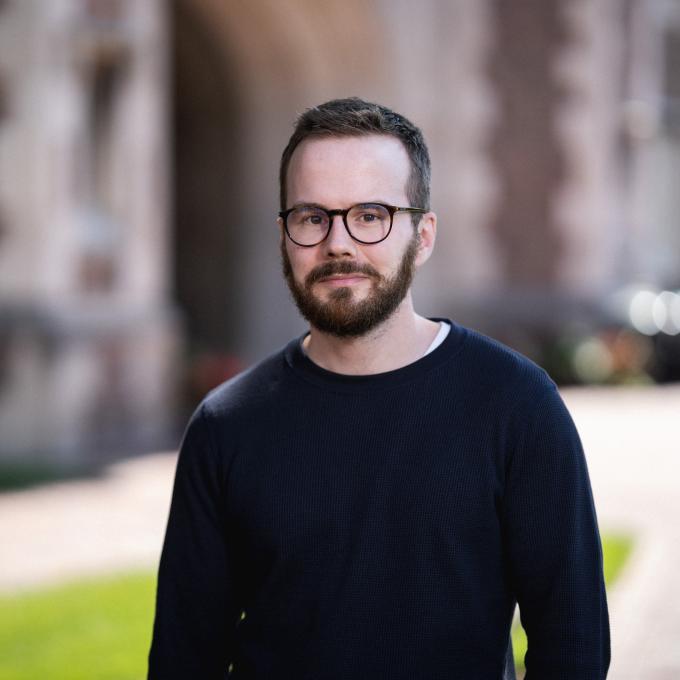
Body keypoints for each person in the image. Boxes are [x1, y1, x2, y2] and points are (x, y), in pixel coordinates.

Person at [148, 97, 610, 679]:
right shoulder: (226, 425)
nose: (338, 242)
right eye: (312, 216)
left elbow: (573, 644)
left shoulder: (516, 404)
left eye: (371, 214)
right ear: (284, 237)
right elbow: (184, 657)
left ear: (423, 235)